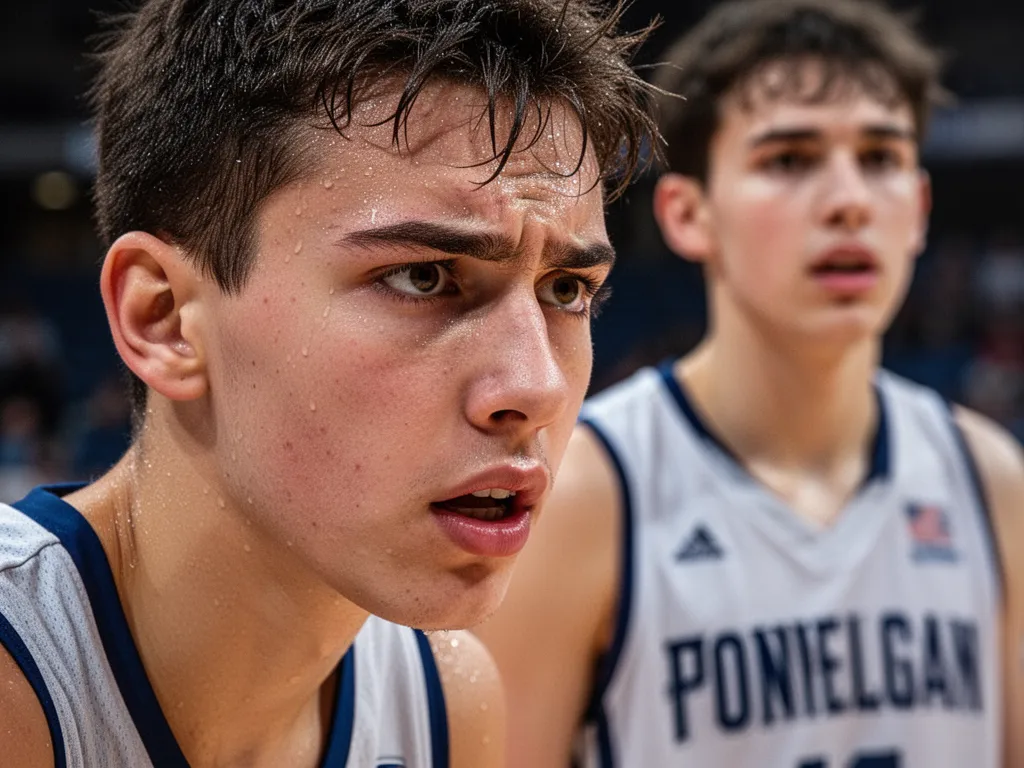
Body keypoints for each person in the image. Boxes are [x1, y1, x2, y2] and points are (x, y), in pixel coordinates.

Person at [0, 1, 658, 766]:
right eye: (424, 277)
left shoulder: (447, 700)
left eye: (567, 290)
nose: (536, 385)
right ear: (167, 317)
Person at [474, 1, 1024, 766]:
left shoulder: (991, 485)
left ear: (920, 210)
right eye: (790, 159)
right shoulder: (585, 497)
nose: (849, 201)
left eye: (881, 157)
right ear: (688, 214)